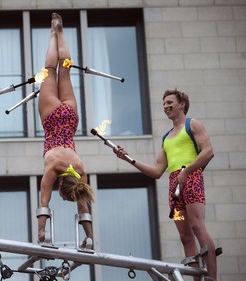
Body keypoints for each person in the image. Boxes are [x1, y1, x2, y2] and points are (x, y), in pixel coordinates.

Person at [114, 90, 217, 280]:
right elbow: (156, 171)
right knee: (185, 236)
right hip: (174, 187)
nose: (166, 106)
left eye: (170, 102)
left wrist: (187, 171)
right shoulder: (166, 138)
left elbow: (208, 151)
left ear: (182, 104)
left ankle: (212, 277)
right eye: (163, 104)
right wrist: (128, 159)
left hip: (191, 178)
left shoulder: (192, 124)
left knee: (197, 226)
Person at [37, 13, 94, 246]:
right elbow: (43, 203)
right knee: (49, 69)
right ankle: (53, 32)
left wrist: (90, 236)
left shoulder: (80, 171)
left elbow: (84, 205)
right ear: (62, 186)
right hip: (52, 118)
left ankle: (60, 31)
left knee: (65, 69)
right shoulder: (53, 168)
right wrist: (41, 231)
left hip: (70, 118)